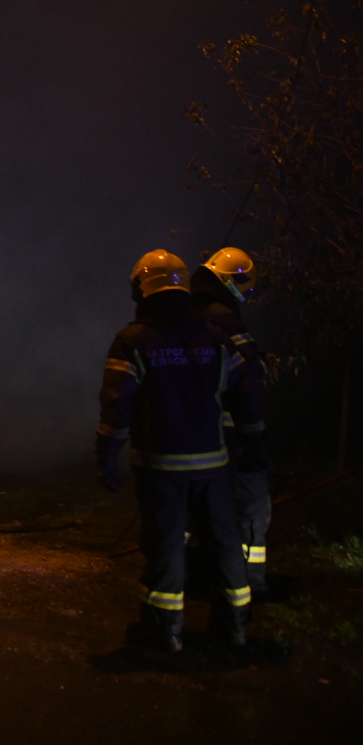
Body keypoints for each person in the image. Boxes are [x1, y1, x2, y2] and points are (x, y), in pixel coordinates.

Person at [97, 249, 264, 652]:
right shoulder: (215, 337)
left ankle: (164, 632)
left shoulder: (132, 341)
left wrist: (107, 452)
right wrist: (254, 443)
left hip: (162, 467)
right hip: (214, 465)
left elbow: (118, 404)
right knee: (224, 543)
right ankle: (234, 628)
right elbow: (245, 394)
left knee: (166, 545)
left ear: (141, 288)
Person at [191, 247, 273, 600]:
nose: (247, 293)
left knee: (200, 508)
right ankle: (251, 584)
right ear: (231, 279)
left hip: (197, 433)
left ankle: (195, 576)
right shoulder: (223, 316)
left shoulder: (189, 315)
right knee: (252, 505)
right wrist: (261, 364)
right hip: (233, 430)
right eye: (246, 285)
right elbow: (245, 375)